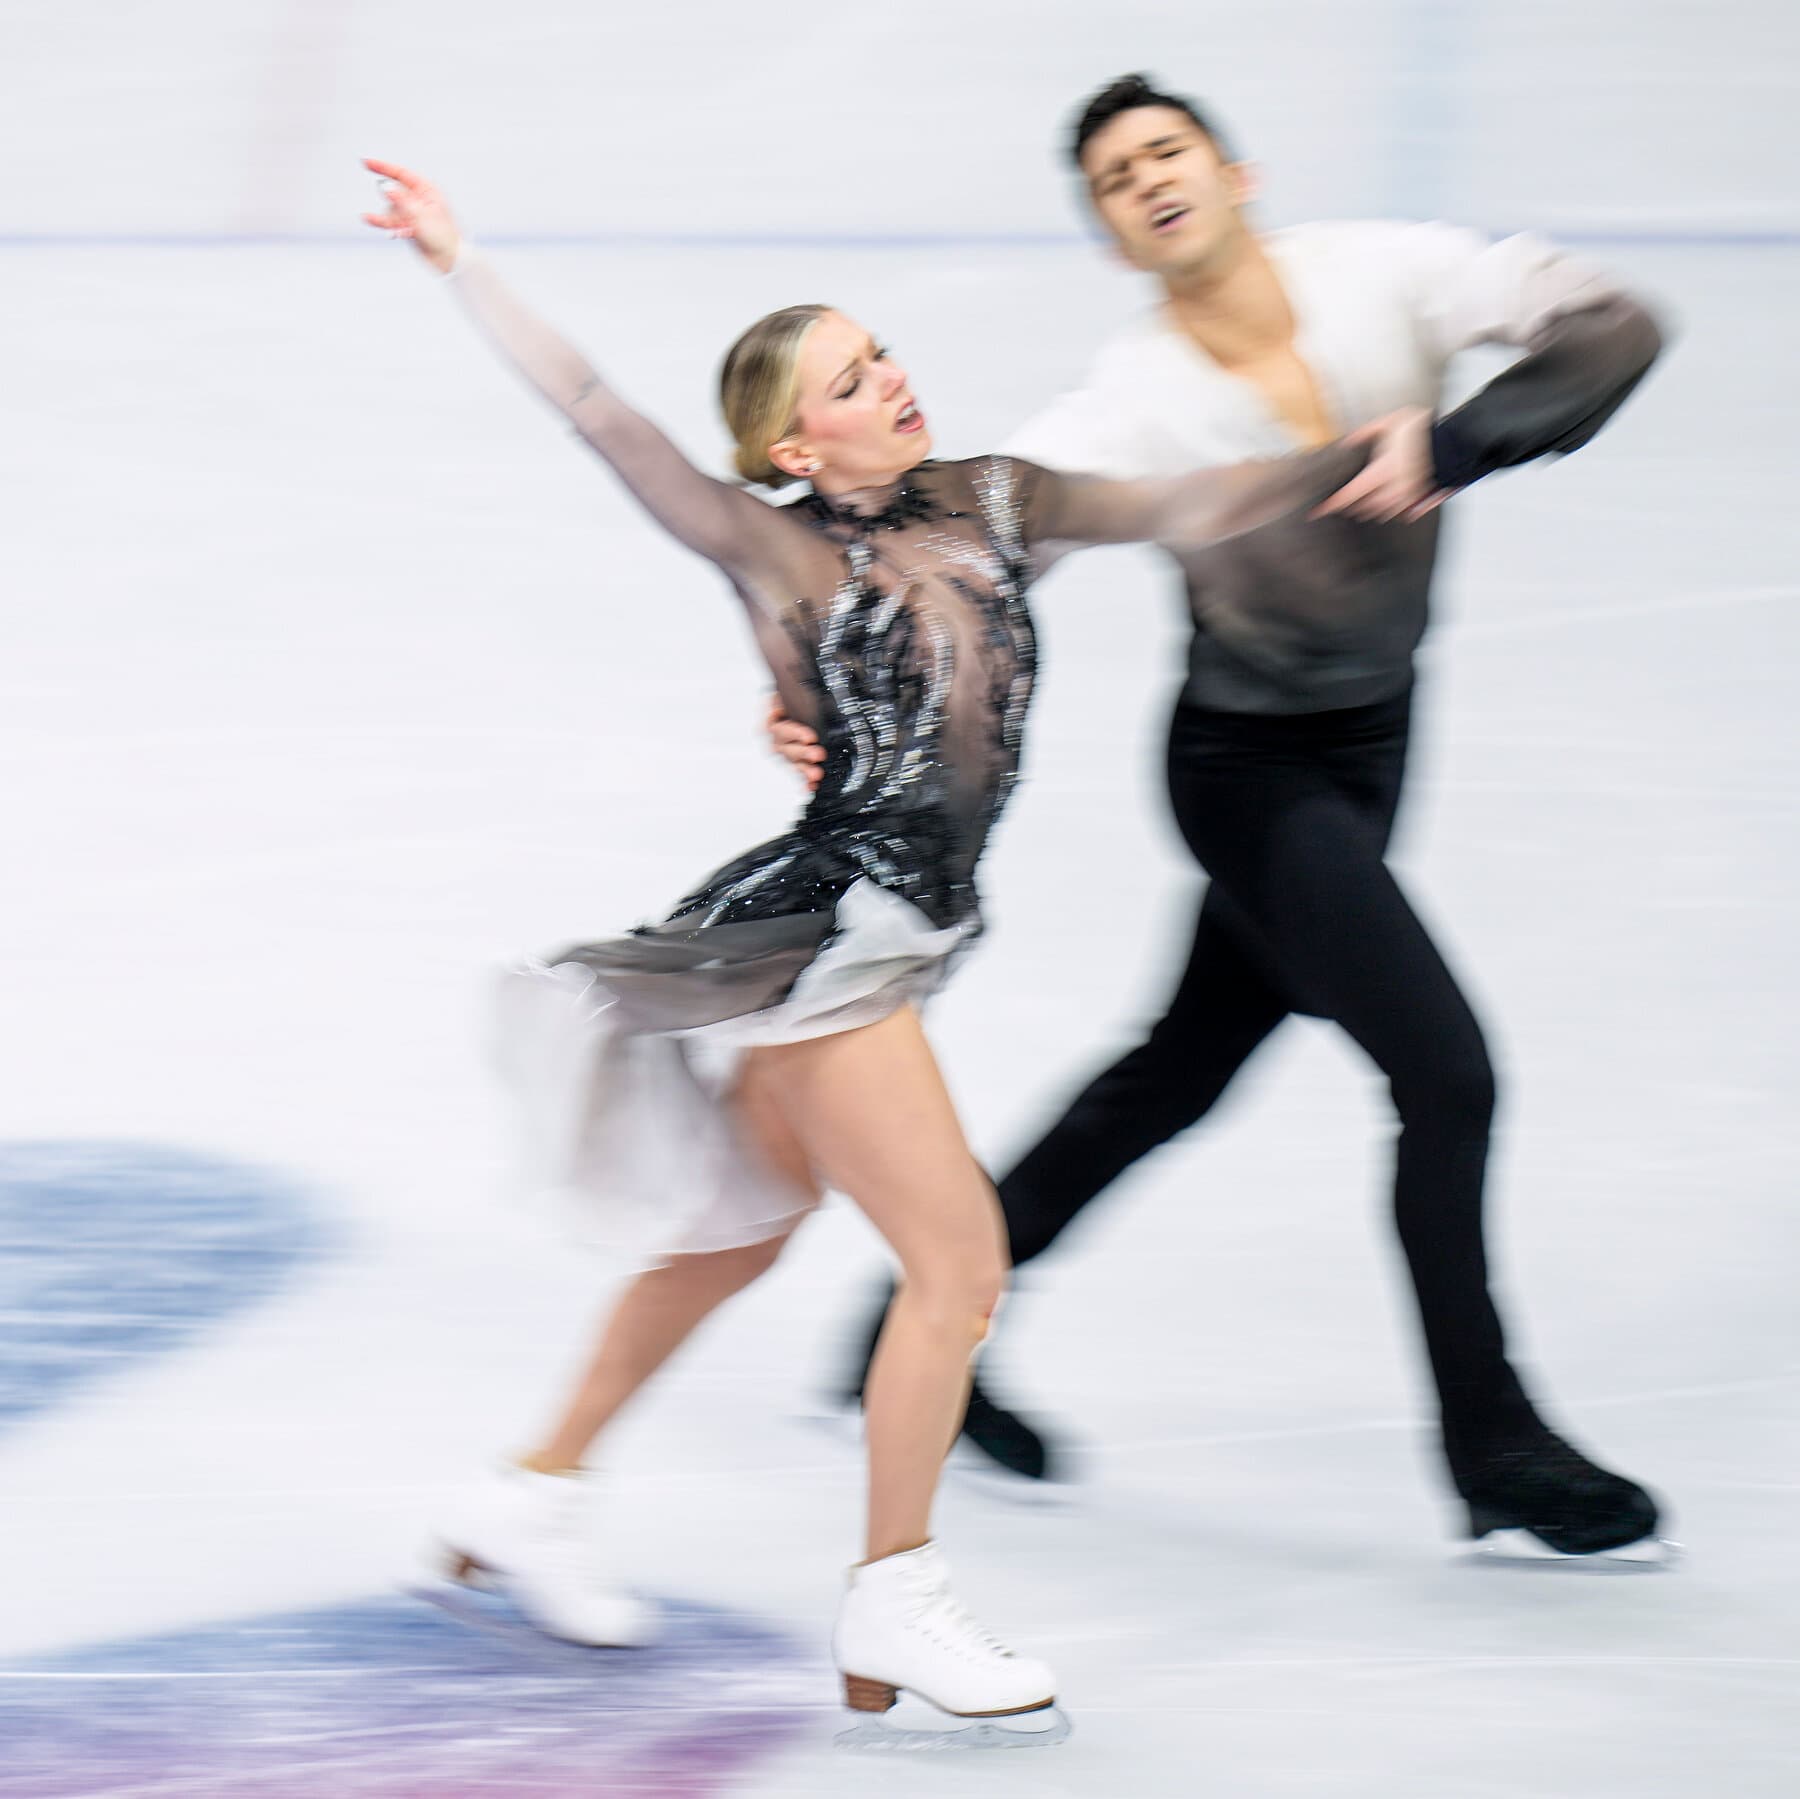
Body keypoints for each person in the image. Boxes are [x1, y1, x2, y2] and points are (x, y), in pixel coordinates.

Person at [362, 157, 1372, 1731]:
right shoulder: (780, 557)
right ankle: (894, 1596)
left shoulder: (997, 495)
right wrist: (457, 258)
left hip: (897, 927)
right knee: (958, 1265)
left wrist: (1352, 463)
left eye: (882, 352)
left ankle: (532, 1494)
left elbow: (1180, 504)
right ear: (789, 443)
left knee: (742, 1228)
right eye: (849, 380)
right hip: (836, 936)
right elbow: (602, 414)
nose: (889, 380)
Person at [773, 74, 1670, 1562]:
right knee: (1447, 1078)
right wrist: (821, 678)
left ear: (1237, 175)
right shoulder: (1132, 403)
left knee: (1178, 1069)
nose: (1150, 182)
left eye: (1167, 154)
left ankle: (914, 1315)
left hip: (1372, 748)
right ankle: (1493, 1440)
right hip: (1250, 775)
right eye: (1118, 180)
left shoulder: (1386, 275)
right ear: (1118, 238)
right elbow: (964, 550)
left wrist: (1456, 443)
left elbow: (1620, 330)